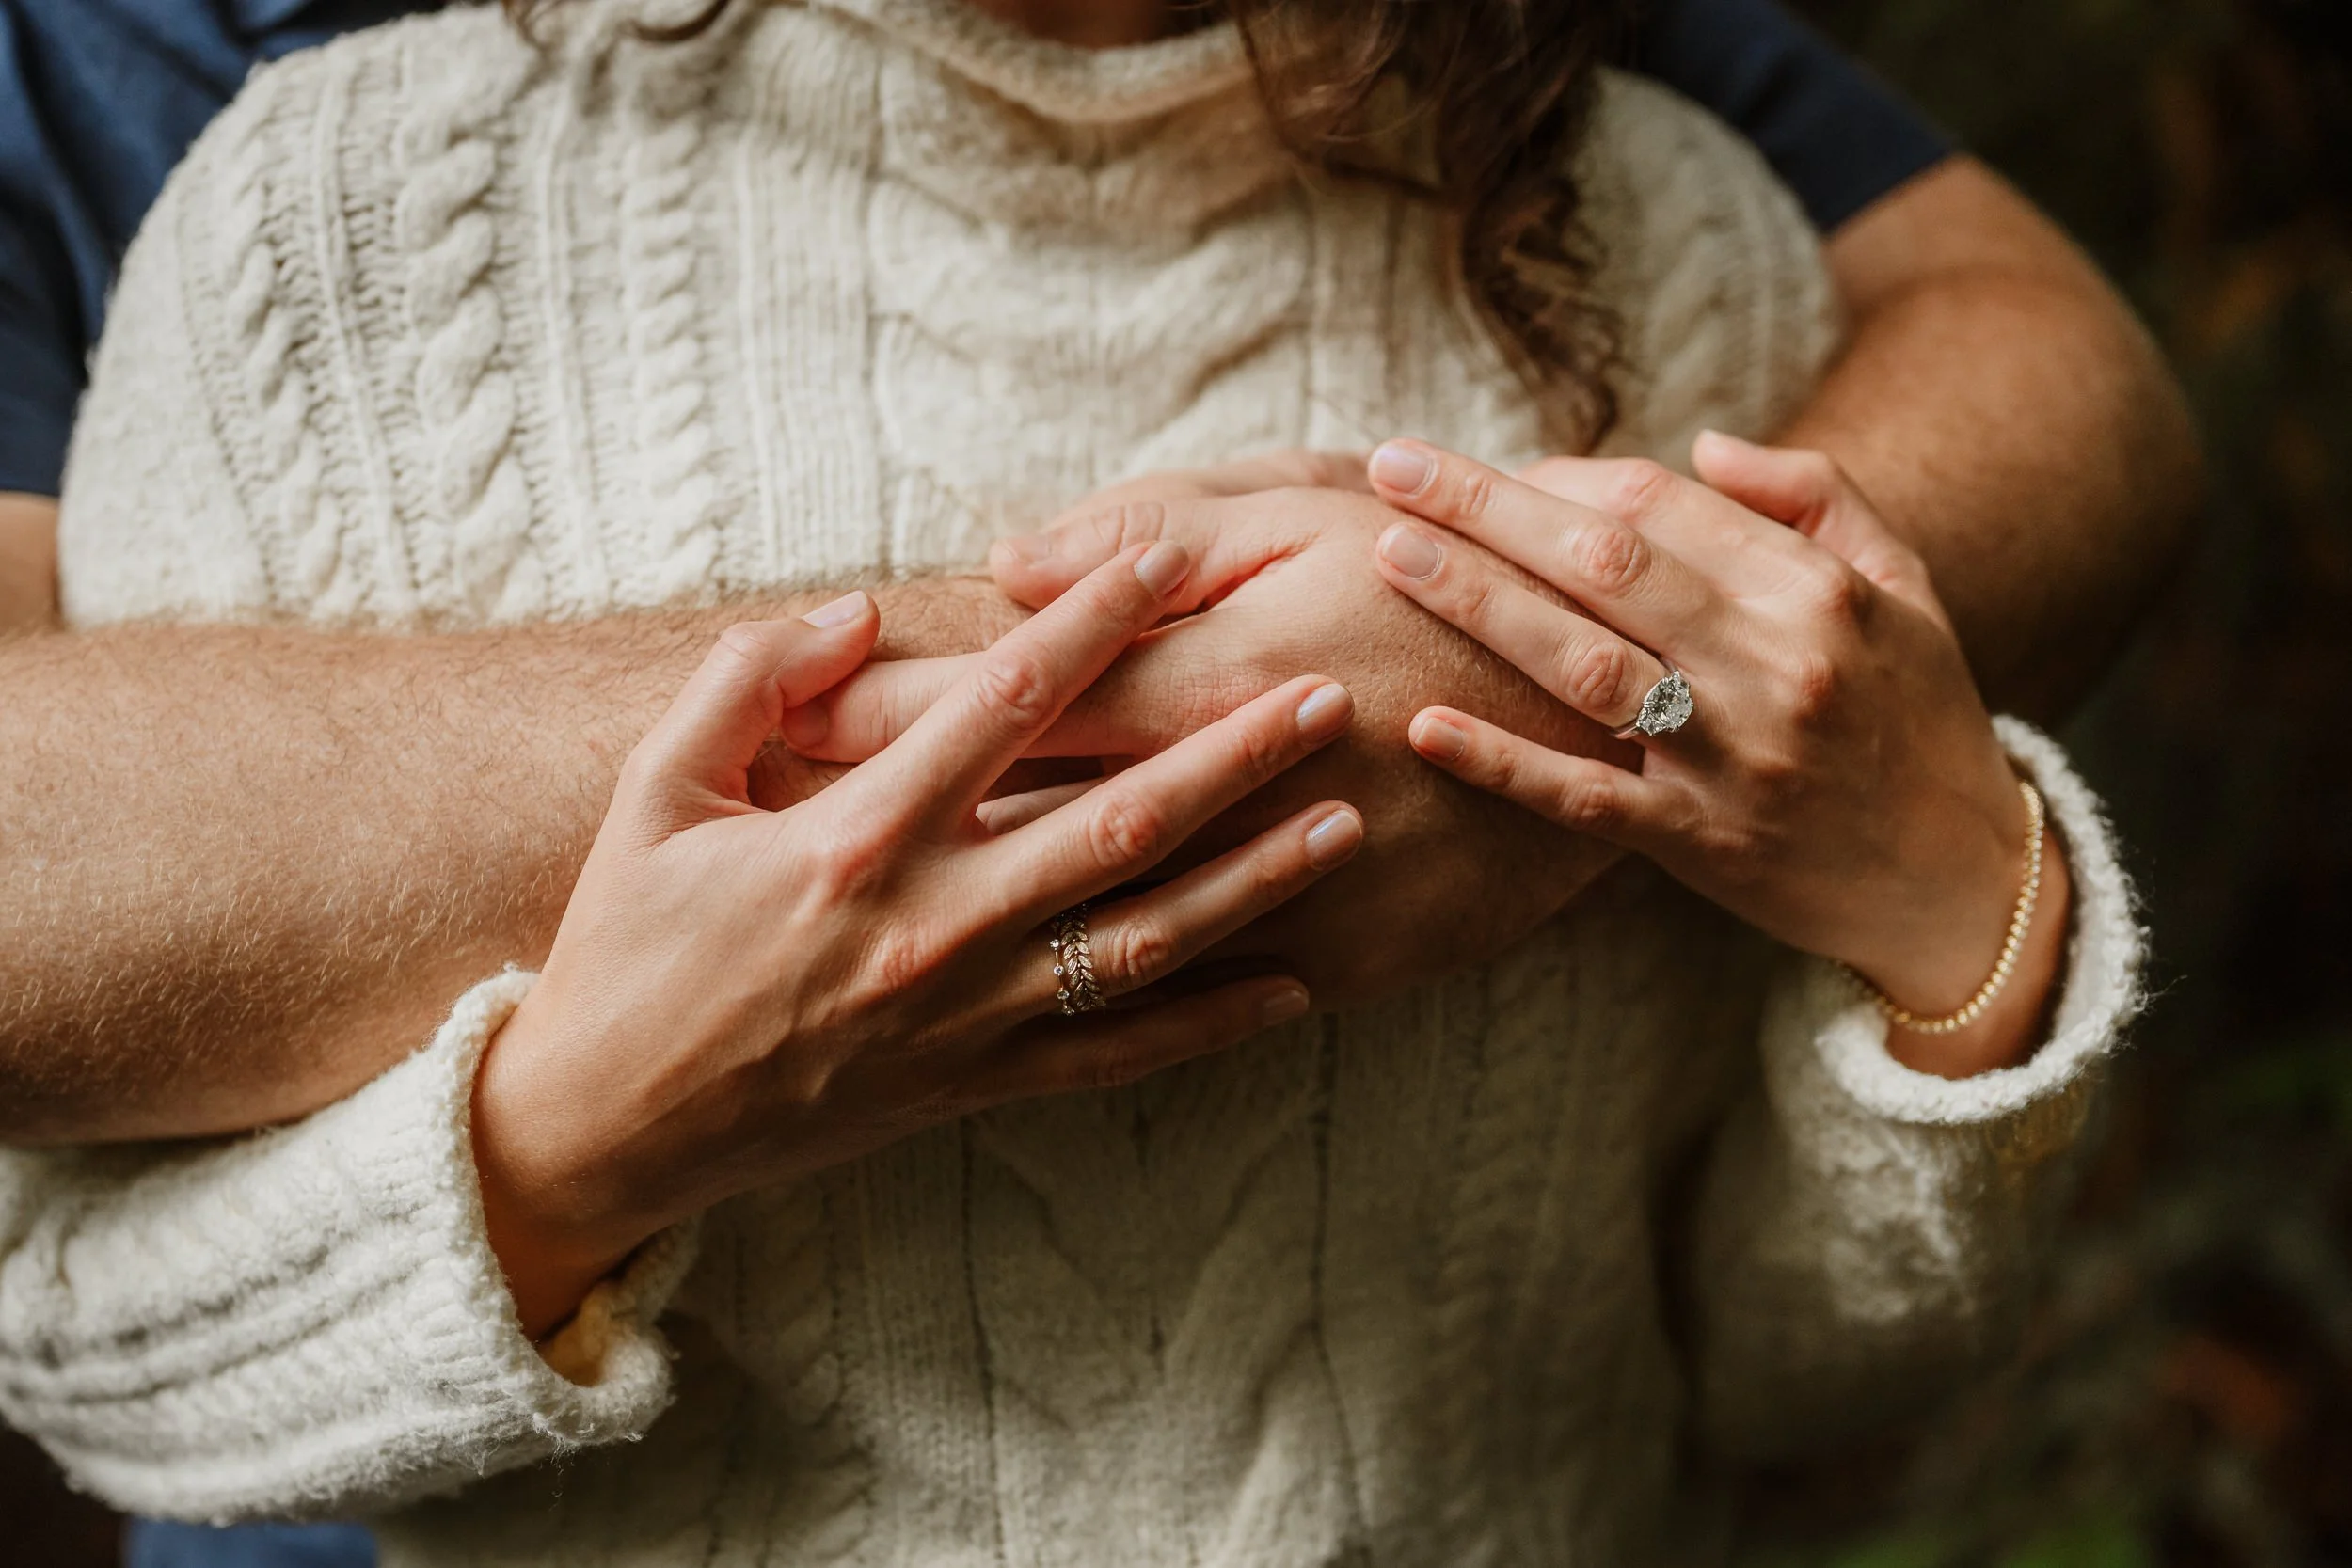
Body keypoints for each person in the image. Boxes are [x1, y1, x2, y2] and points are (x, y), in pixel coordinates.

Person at [0, 0, 2183, 1564]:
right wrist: (566, 1149)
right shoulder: (329, 236)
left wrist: (1955, 918)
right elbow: (86, 1366)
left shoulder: (1683, 238)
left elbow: (1785, 1371)